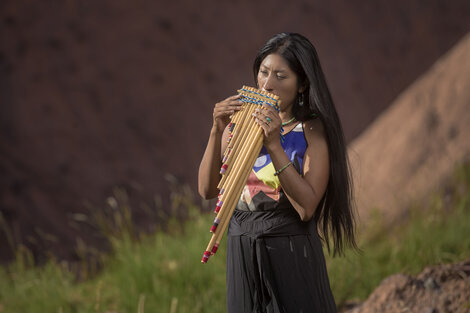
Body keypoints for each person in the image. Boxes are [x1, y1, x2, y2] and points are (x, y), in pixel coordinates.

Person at [198, 32, 357, 313]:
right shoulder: (239, 126)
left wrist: (274, 144)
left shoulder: (312, 130)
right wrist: (216, 130)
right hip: (242, 249)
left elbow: (307, 207)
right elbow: (208, 190)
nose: (268, 84)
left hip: (290, 250)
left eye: (281, 76)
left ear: (302, 84)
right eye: (263, 72)